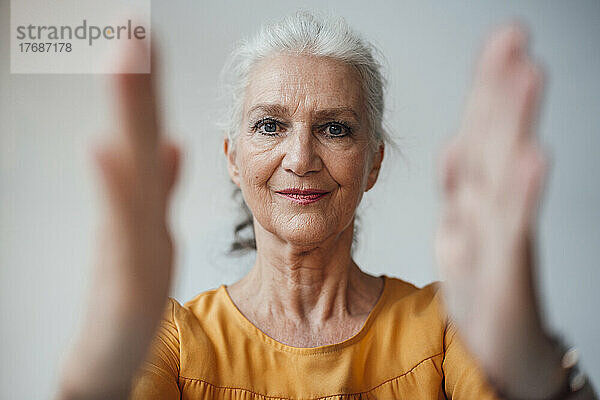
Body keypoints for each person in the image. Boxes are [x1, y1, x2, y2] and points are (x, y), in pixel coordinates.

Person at [55, 11, 597, 400]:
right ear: (233, 159)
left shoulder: (445, 327)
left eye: (335, 129)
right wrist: (95, 383)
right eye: (270, 125)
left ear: (373, 163)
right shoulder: (174, 341)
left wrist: (535, 373)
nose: (300, 157)